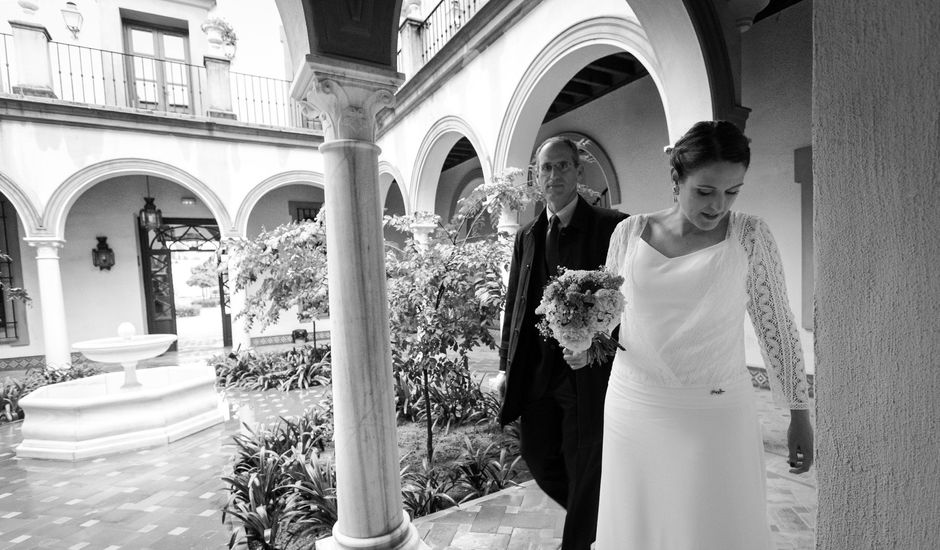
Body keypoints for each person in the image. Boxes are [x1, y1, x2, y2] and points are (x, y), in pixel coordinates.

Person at [593, 120, 814, 549]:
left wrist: (799, 412)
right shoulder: (629, 233)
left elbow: (779, 328)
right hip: (635, 404)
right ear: (676, 181)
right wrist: (583, 342)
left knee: (711, 527)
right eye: (706, 191)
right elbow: (606, 313)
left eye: (733, 191)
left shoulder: (750, 235)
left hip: (715, 411)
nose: (719, 206)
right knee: (639, 524)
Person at [496, 136, 627, 550]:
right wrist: (505, 366)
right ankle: (603, 522)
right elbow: (516, 301)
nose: (553, 175)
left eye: (562, 166)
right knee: (538, 455)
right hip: (538, 372)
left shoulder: (612, 227)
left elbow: (627, 302)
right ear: (537, 175)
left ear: (578, 171)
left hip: (587, 374)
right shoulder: (528, 234)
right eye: (546, 168)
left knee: (583, 461)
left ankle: (580, 540)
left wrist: (595, 345)